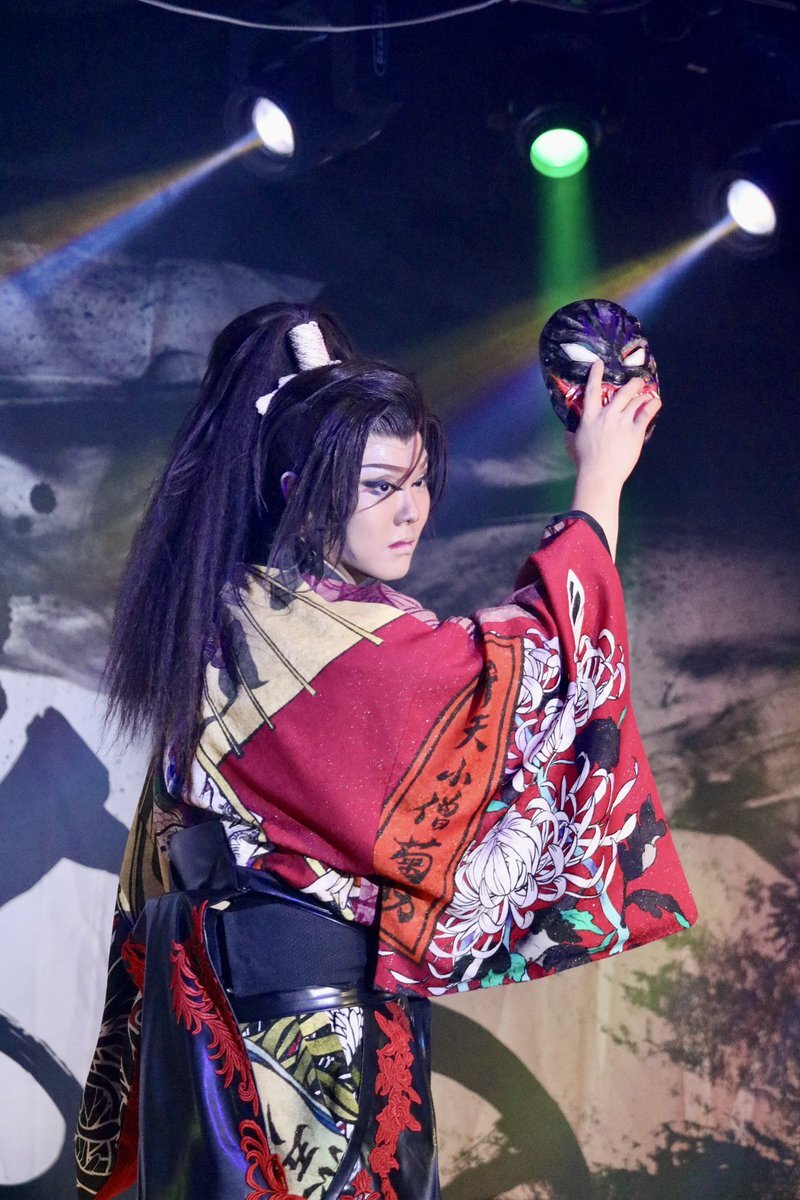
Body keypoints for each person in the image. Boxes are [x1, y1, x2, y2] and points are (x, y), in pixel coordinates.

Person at [76, 302, 696, 1200]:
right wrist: (598, 484)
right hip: (302, 1041)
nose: (411, 511)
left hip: (255, 1017)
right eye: (377, 486)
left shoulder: (247, 621)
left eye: (417, 481)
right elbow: (528, 671)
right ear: (299, 489)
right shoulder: (306, 644)